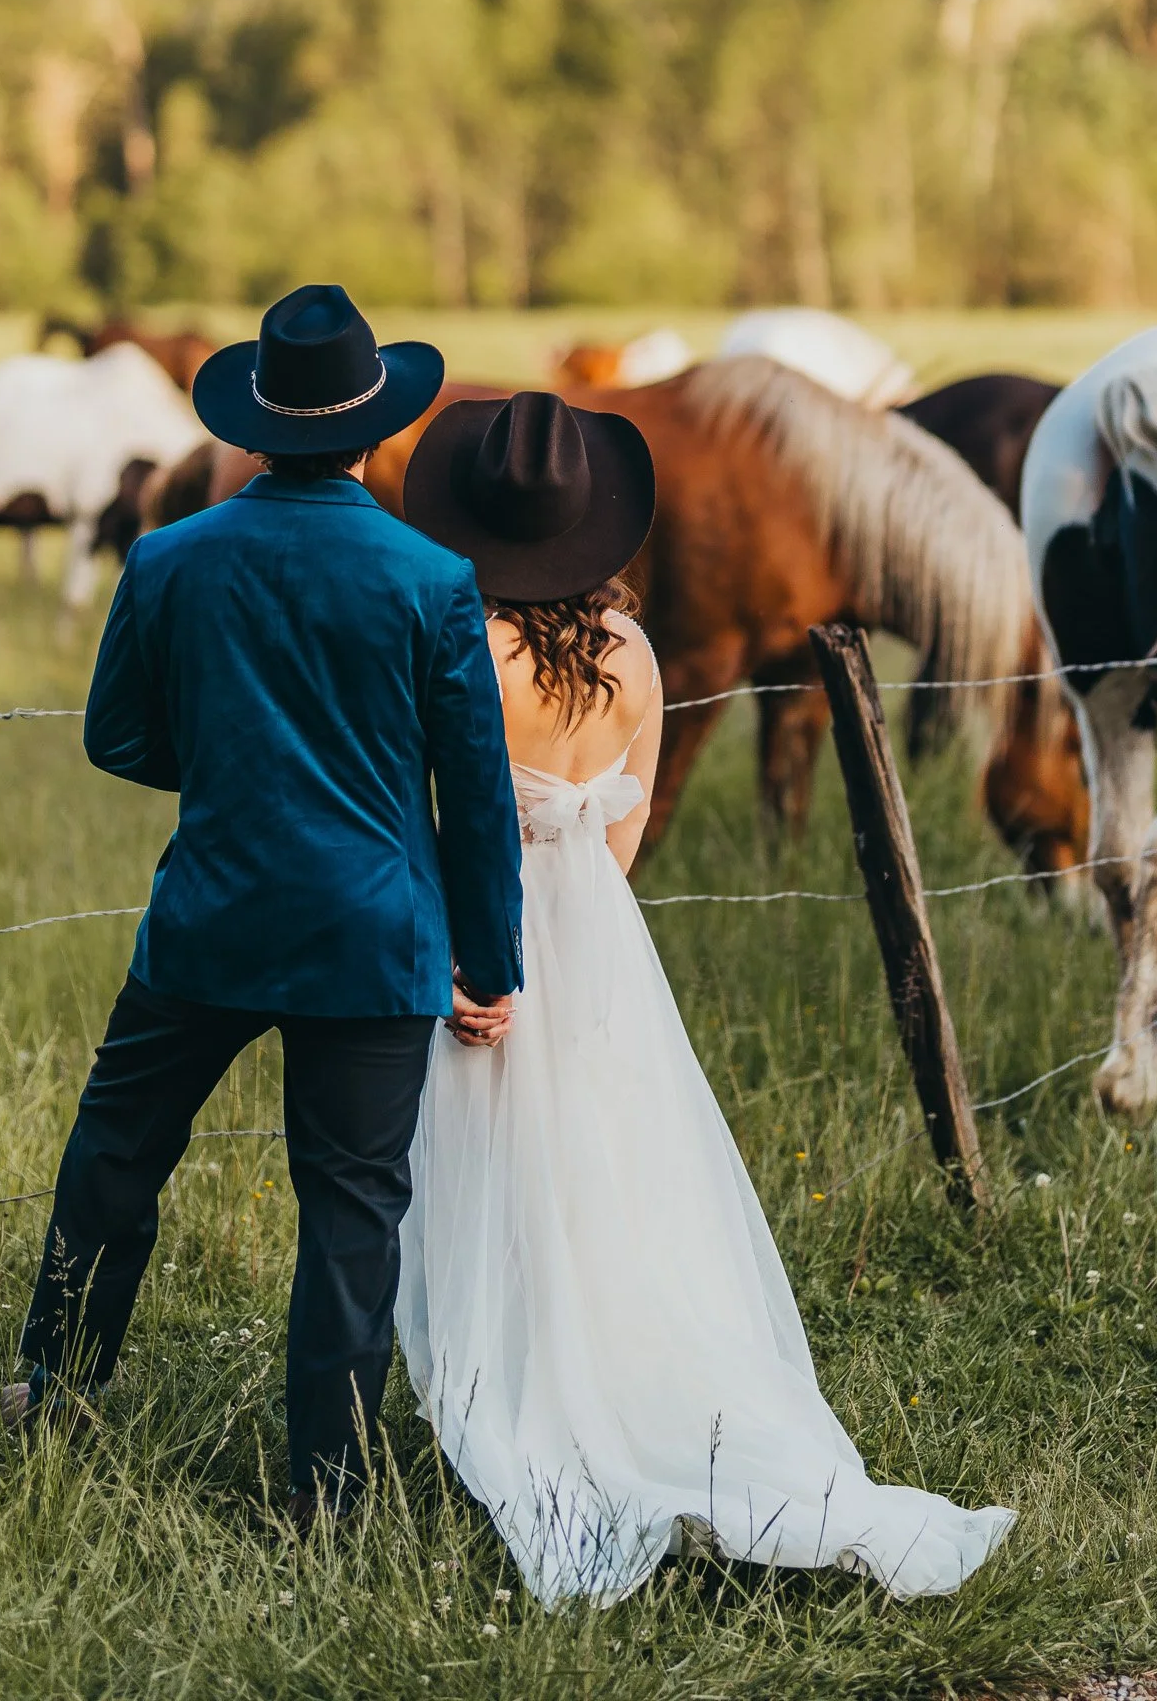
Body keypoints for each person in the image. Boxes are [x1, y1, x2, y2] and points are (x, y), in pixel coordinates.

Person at [396, 388, 1015, 1606]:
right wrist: (571, 909)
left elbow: (441, 821)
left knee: (493, 1168)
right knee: (610, 1166)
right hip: (598, 935)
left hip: (484, 935)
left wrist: (475, 955)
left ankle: (525, 1384)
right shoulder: (633, 655)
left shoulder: (460, 649)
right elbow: (620, 833)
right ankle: (655, 1383)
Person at [7, 285, 524, 1517]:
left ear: (258, 425)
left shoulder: (170, 555)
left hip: (210, 919)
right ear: (370, 433)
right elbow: (477, 794)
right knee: (350, 1211)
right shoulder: (430, 577)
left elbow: (118, 739)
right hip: (376, 935)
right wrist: (489, 960)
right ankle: (328, 1493)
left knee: (115, 1154)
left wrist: (238, 761)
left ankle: (57, 1385)